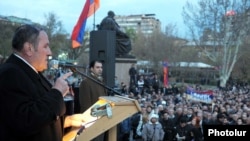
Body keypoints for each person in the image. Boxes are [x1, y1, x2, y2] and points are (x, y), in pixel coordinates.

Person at [0, 24, 86, 141]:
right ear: (29, 48)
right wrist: (57, 92)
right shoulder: (10, 73)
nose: (50, 52)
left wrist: (67, 121)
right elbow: (25, 122)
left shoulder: (30, 72)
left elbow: (40, 116)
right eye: (45, 46)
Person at [79, 60, 108, 141]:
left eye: (101, 67)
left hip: (101, 120)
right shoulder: (86, 82)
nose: (100, 69)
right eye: (97, 67)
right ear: (91, 69)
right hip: (92, 122)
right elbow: (85, 106)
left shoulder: (101, 81)